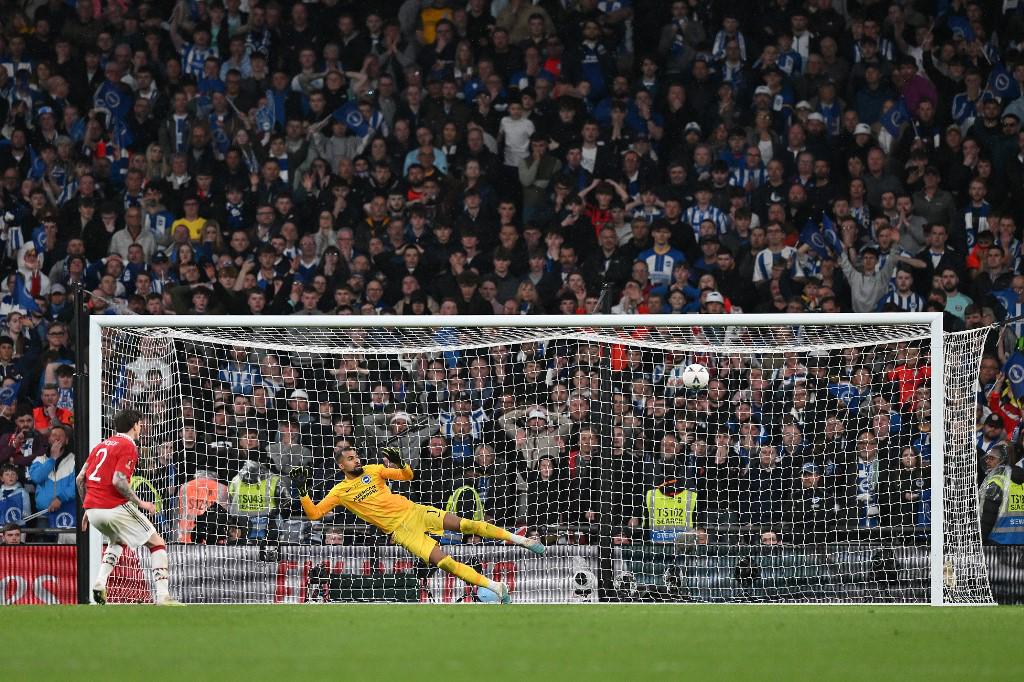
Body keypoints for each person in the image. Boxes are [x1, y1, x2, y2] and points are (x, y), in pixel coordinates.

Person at [291, 445, 545, 603]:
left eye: (356, 456)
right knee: (446, 563)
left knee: (468, 524)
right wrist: (303, 492)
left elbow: (407, 476)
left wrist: (401, 463)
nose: (356, 461)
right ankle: (496, 587)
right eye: (350, 458)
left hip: (416, 511)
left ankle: (524, 541)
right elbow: (314, 514)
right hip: (401, 532)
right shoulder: (340, 491)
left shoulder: (374, 470)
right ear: (340, 465)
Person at [77, 409, 178, 605]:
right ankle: (163, 596)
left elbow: (80, 478)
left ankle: (100, 581)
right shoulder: (128, 446)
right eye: (140, 424)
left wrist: (86, 508)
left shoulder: (100, 446)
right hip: (113, 507)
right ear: (135, 425)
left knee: (118, 540)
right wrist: (140, 502)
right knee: (157, 543)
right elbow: (118, 480)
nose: (141, 428)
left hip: (94, 509)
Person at [978, 442, 1024, 545]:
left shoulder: (996, 483)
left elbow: (987, 519)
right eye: (987, 458)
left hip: (997, 544)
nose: (987, 461)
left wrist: (978, 541)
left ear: (1003, 460)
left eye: (992, 458)